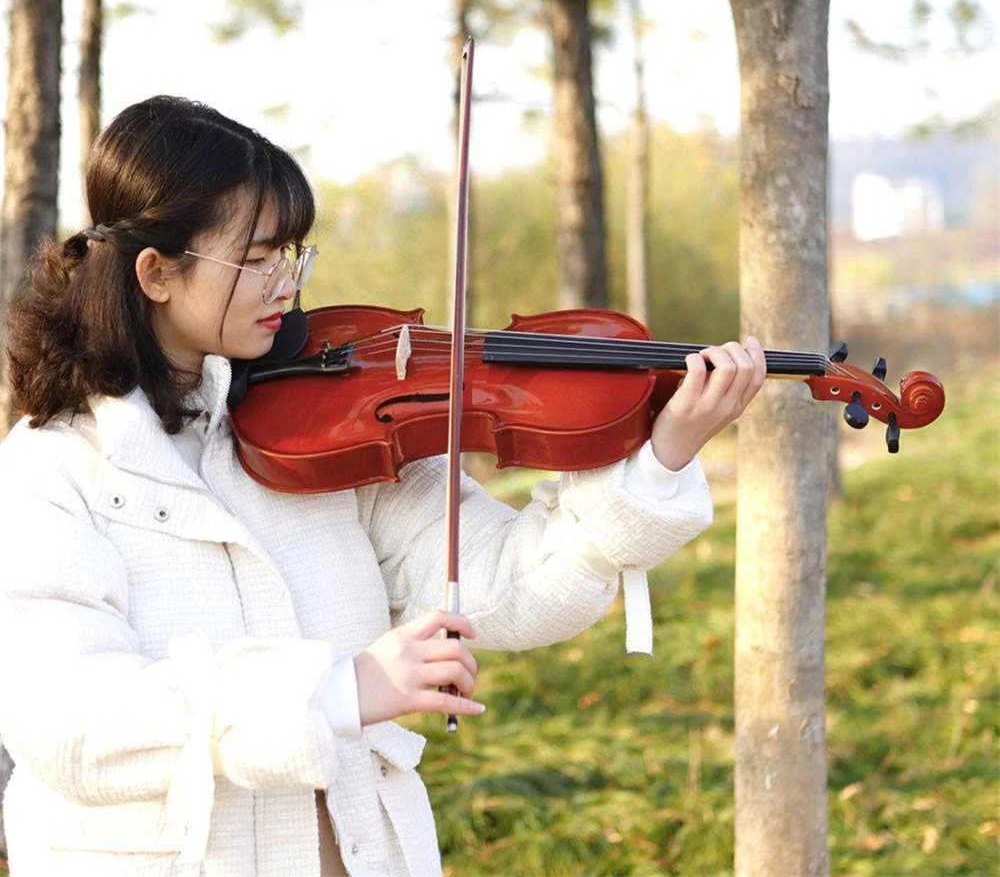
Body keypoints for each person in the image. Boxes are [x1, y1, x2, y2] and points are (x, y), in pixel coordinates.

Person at [0, 96, 766, 877]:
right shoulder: (50, 470)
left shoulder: (320, 427)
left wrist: (662, 454)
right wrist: (341, 691)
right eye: (257, 259)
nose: (287, 285)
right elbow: (67, 722)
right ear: (157, 273)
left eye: (293, 254)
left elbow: (512, 590)